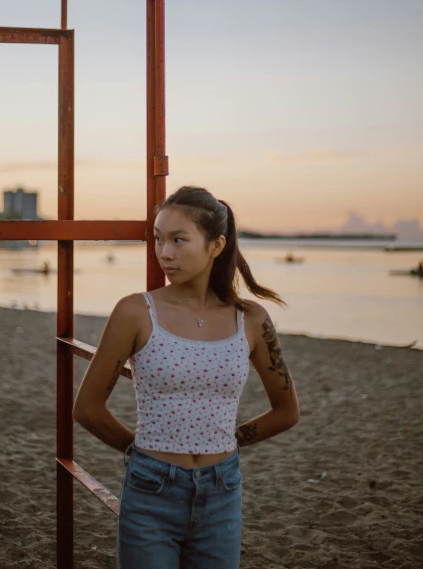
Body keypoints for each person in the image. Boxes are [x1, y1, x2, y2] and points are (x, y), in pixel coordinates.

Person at [73, 185, 300, 568]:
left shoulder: (251, 319)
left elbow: (286, 411)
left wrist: (226, 441)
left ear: (216, 245)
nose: (164, 252)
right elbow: (88, 408)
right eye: (159, 238)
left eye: (179, 240)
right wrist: (142, 453)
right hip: (150, 489)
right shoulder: (135, 312)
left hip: (222, 490)